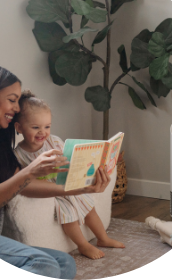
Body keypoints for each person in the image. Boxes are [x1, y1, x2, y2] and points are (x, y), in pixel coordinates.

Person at [0, 63, 111, 279]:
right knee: (43, 265)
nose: (16, 109)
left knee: (64, 264)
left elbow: (23, 185)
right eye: (12, 100)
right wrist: (31, 170)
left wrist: (79, 188)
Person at [13, 90, 125, 260]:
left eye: (47, 127)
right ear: (19, 127)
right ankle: (83, 245)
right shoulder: (19, 154)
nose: (42, 132)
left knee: (89, 207)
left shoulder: (54, 142)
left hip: (68, 183)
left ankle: (103, 238)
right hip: (51, 192)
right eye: (35, 127)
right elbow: (25, 181)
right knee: (68, 216)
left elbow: (71, 160)